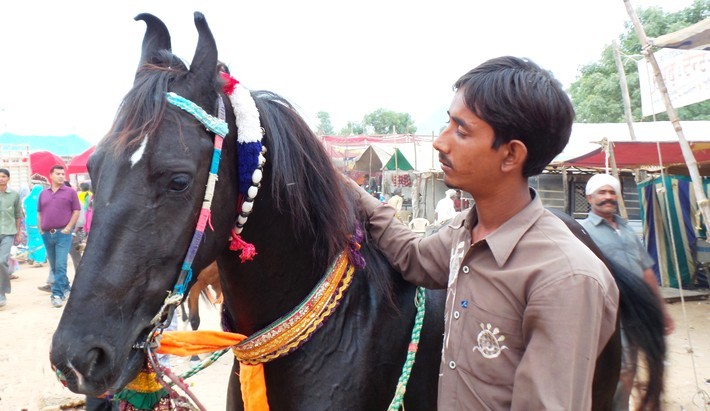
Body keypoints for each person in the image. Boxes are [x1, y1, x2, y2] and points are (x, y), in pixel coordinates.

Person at [350, 56, 619, 409]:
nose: (441, 143)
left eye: (461, 131)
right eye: (448, 125)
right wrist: (352, 192)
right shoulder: (466, 232)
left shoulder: (564, 278)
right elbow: (414, 258)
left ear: (510, 155)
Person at [581, 173, 675, 410]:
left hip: (636, 314)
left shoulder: (628, 230)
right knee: (615, 369)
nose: (608, 197)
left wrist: (660, 310)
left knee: (630, 367)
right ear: (589, 197)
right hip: (606, 313)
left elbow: (646, 272)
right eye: (602, 192)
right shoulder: (582, 232)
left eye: (612, 192)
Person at [38, 165, 81, 308]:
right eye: (58, 173)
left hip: (63, 234)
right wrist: (40, 229)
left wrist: (68, 228)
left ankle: (56, 294)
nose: (61, 176)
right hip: (47, 234)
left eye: (63, 173)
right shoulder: (43, 193)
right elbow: (39, 212)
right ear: (51, 175)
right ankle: (67, 288)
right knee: (55, 266)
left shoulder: (70, 192)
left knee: (61, 265)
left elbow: (76, 211)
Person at [0, 169, 24, 307]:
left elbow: (18, 215)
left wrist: (19, 232)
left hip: (8, 232)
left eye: (3, 176)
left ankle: (2, 293)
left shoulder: (14, 195)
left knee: (2, 261)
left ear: (8, 178)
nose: (1, 179)